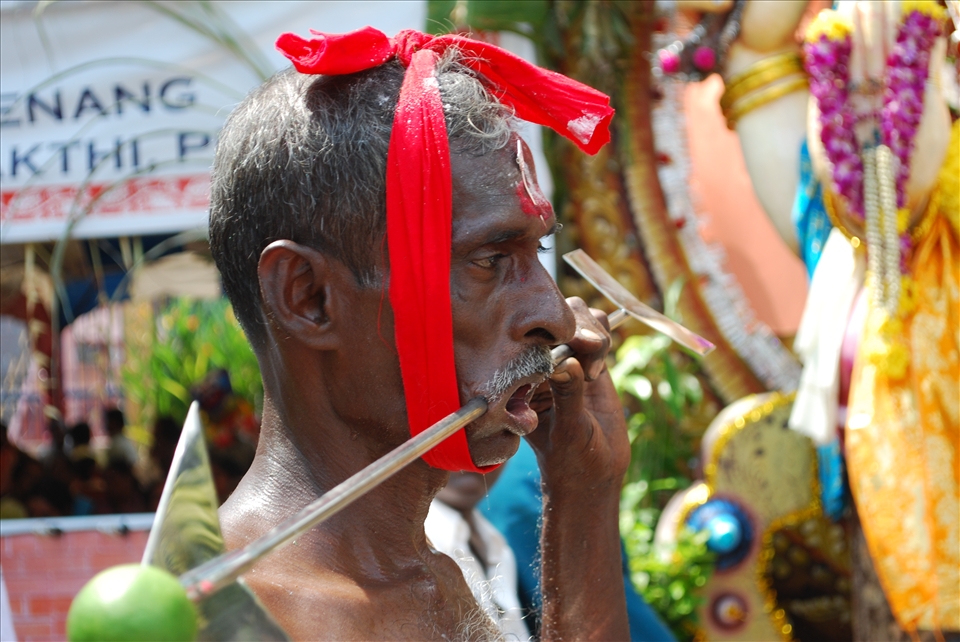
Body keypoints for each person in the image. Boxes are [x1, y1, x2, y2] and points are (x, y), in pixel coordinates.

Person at [211, 26, 630, 640]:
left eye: (536, 249)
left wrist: (584, 493)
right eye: (490, 259)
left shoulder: (431, 577)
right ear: (309, 297)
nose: (557, 315)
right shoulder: (237, 615)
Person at [426, 470, 530, 641]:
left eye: (487, 442)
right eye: (448, 445)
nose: (468, 459)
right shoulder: (413, 549)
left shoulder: (498, 547)